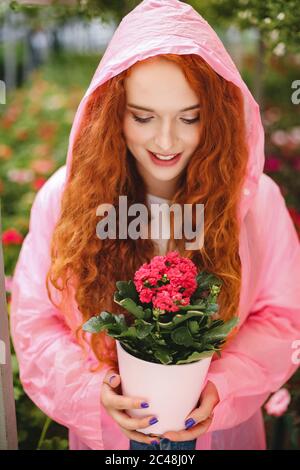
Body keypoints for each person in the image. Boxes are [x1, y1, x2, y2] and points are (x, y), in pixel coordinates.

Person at [10, 0, 300, 451]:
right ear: (111, 112)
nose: (166, 141)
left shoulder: (255, 200)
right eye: (143, 117)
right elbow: (36, 320)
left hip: (220, 435)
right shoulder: (65, 199)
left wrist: (223, 386)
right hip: (107, 439)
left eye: (189, 117)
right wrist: (92, 391)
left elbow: (283, 316)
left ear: (216, 116)